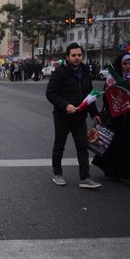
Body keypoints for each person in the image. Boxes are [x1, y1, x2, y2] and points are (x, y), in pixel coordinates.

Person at [46, 42, 101, 189]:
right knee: (59, 146)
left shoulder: (85, 71)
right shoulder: (60, 72)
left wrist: (94, 113)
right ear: (67, 57)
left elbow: (89, 95)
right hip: (62, 117)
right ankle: (57, 173)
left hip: (80, 117)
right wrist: (65, 105)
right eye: (73, 55)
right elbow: (50, 93)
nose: (77, 58)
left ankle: (85, 177)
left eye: (79, 55)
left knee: (82, 147)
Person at [92, 53, 130, 185]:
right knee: (116, 145)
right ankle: (115, 171)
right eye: (125, 64)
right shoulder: (113, 78)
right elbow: (106, 96)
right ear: (120, 65)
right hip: (118, 117)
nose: (127, 67)